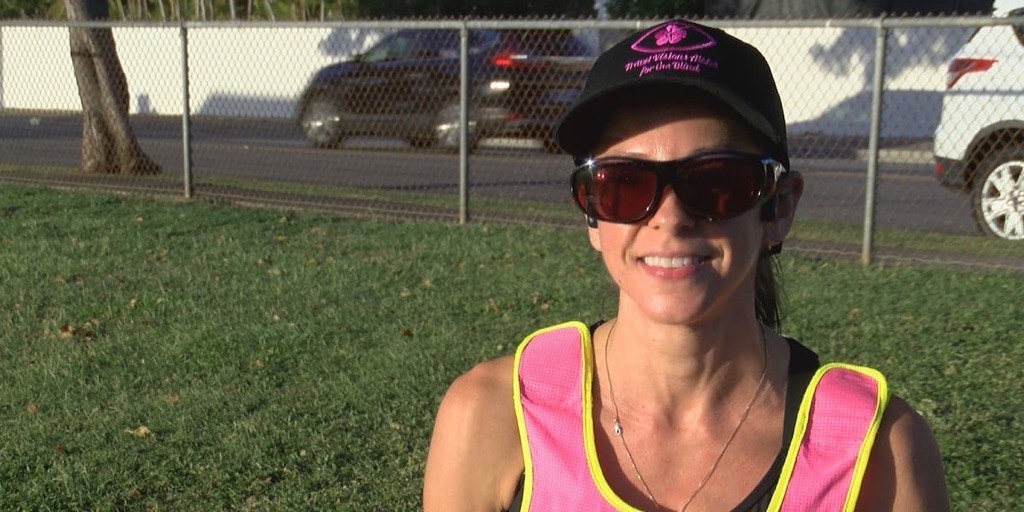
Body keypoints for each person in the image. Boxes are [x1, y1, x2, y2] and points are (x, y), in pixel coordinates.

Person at [423, 19, 949, 512]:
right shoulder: (495, 417)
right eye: (623, 183)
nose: (670, 218)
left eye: (715, 182)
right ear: (589, 211)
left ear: (779, 207)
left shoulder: (877, 451)